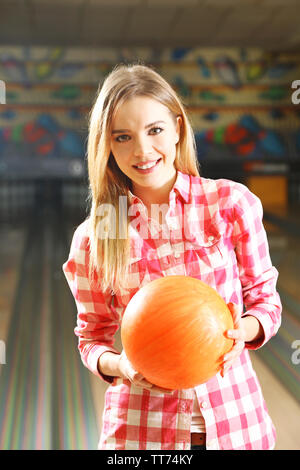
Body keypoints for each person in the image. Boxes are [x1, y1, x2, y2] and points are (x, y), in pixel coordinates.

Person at [62, 63, 282, 451]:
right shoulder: (99, 233)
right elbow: (91, 339)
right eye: (123, 137)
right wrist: (122, 366)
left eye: (155, 130)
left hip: (235, 423)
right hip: (140, 432)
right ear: (107, 145)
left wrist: (240, 333)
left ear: (178, 128)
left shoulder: (229, 204)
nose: (142, 150)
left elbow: (266, 301)